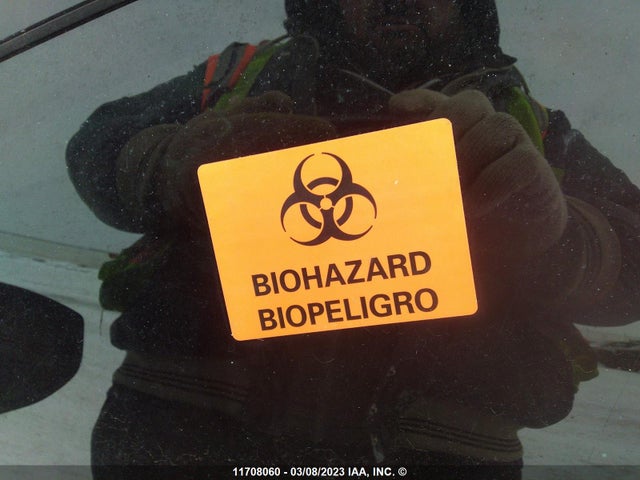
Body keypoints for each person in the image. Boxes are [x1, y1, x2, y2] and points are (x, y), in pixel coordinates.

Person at [66, 1, 640, 478]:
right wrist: (167, 163)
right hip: (182, 436)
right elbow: (97, 142)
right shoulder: (240, 75)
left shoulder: (530, 124)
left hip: (435, 456)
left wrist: (559, 238)